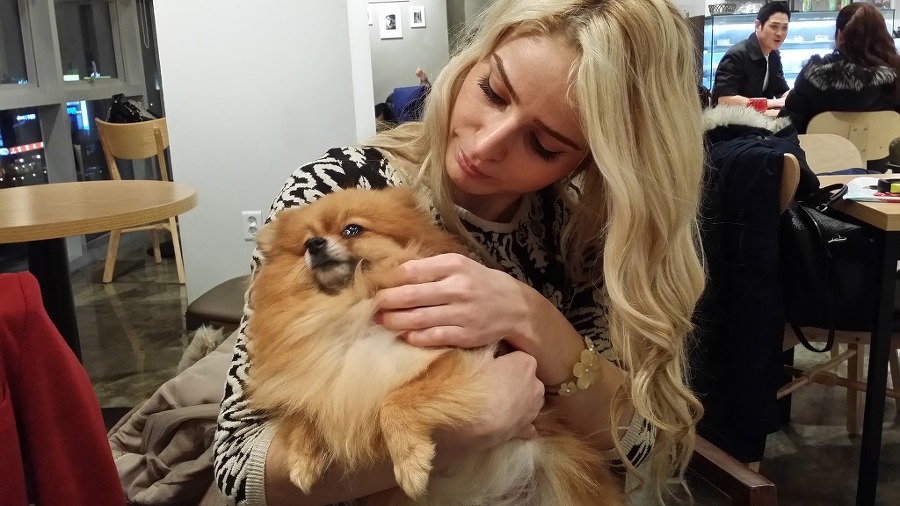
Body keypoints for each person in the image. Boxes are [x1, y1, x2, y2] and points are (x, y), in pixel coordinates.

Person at [213, 0, 706, 505]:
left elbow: (635, 443)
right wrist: (465, 427)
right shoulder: (340, 187)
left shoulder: (577, 234)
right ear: (473, 61)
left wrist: (533, 320)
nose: (487, 144)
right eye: (493, 92)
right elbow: (238, 467)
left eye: (542, 145)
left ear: (591, 162)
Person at [780, 2, 900, 135]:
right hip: (881, 149)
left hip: (819, 148)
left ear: (840, 35)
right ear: (882, 36)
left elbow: (786, 128)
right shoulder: (895, 78)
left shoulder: (811, 77)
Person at [712, 1, 791, 111]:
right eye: (774, 26)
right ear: (758, 26)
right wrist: (770, 103)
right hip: (732, 120)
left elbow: (782, 91)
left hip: (759, 118)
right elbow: (725, 100)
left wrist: (796, 97)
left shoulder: (774, 56)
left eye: (784, 28)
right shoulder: (736, 56)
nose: (780, 33)